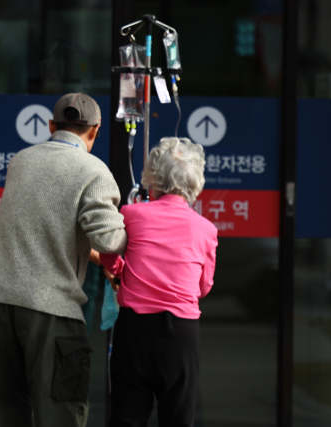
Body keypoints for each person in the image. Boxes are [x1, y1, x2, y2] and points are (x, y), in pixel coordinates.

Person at [0, 93, 127, 427]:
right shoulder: (93, 170)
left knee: (4, 412)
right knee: (61, 413)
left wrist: (93, 259)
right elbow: (109, 240)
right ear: (96, 130)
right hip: (51, 308)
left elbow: (45, 232)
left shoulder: (22, 159)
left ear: (51, 126)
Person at [100, 137, 218, 427]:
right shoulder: (206, 229)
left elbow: (108, 251)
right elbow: (203, 287)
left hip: (135, 329)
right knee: (178, 417)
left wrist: (119, 272)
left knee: (127, 416)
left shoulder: (132, 214)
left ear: (153, 178)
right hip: (181, 334)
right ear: (195, 182)